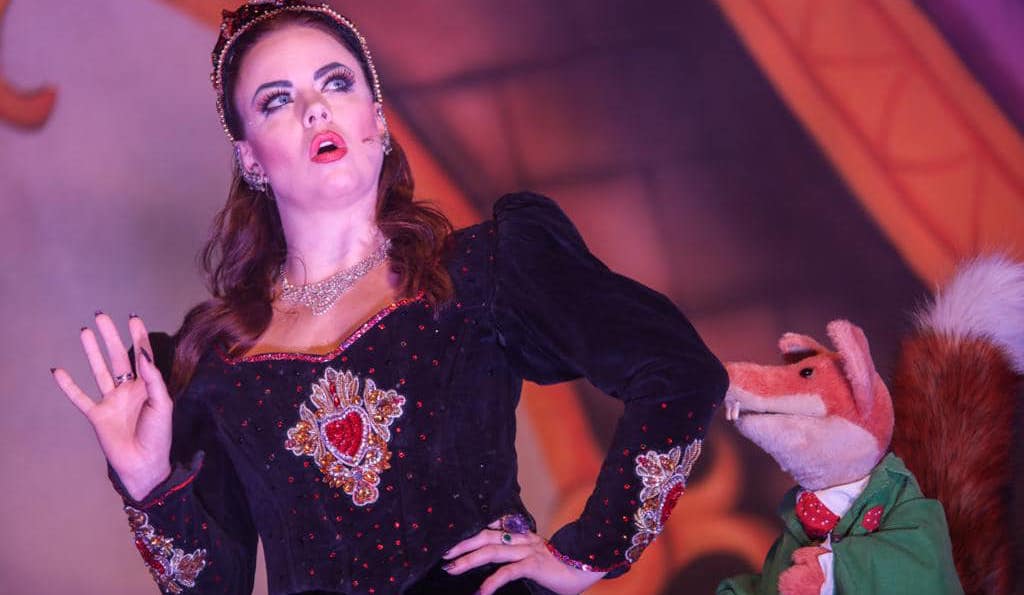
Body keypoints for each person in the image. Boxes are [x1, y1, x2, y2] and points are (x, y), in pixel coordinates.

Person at [52, 2, 727, 593]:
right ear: (251, 158)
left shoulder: (483, 270)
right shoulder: (216, 363)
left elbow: (680, 373)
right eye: (276, 100)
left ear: (376, 117)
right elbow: (210, 587)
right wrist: (148, 483)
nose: (315, 108)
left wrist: (588, 553)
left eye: (336, 83)